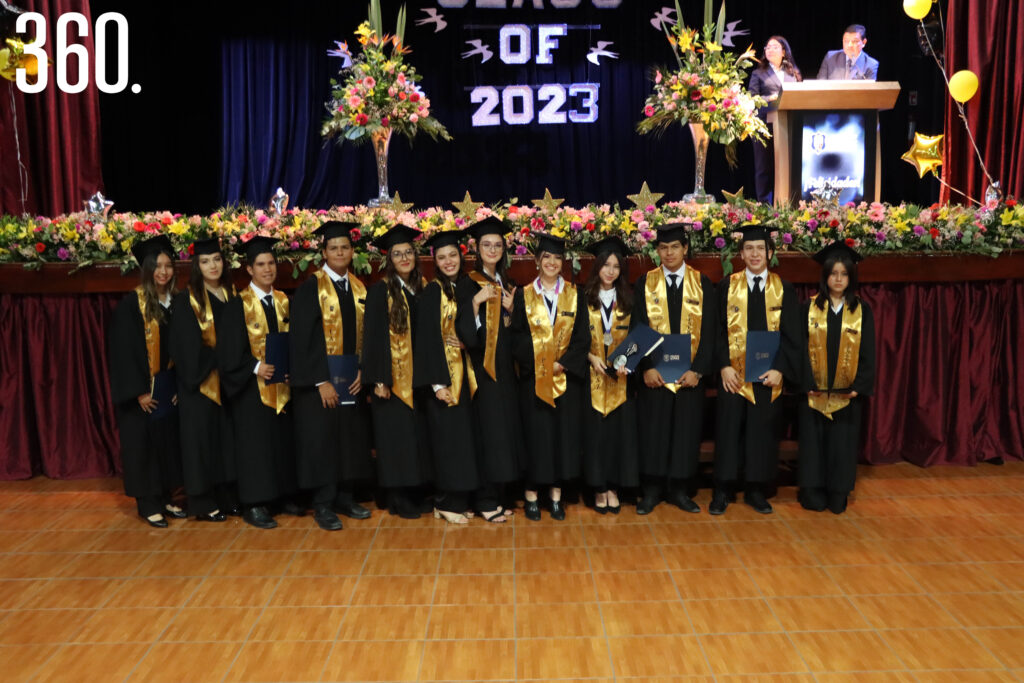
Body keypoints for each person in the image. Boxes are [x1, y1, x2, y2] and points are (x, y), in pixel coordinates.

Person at [289, 221, 374, 531]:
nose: (340, 251)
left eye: (345, 247)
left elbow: (369, 336)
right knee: (322, 442)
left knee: (350, 439)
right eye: (334, 247)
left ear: (352, 252)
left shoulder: (360, 288)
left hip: (351, 380)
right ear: (323, 252)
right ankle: (323, 502)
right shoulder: (311, 288)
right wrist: (320, 381)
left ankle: (345, 497)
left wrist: (364, 370)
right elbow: (302, 339)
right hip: (321, 383)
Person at [712, 224, 800, 515]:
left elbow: (792, 336)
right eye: (748, 248)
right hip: (733, 376)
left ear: (770, 253)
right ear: (740, 253)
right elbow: (717, 331)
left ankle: (756, 490)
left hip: (766, 375)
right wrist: (723, 366)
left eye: (760, 249)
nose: (754, 254)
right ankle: (723, 489)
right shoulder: (727, 285)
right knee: (728, 431)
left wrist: (780, 370)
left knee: (762, 432)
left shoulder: (784, 288)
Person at [633, 224, 717, 515]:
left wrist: (699, 370)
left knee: (685, 433)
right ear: (657, 251)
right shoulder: (645, 282)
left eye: (675, 247)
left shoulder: (702, 283)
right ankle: (652, 491)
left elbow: (710, 333)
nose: (669, 253)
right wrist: (645, 367)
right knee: (653, 432)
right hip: (655, 376)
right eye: (663, 248)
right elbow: (638, 329)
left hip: (688, 377)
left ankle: (680, 490)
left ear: (685, 249)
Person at [218, 236, 300, 529]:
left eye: (271, 264)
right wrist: (255, 366)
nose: (268, 269)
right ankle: (255, 503)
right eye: (261, 265)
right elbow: (228, 353)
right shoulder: (236, 305)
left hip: (282, 385)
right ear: (249, 270)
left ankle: (280, 496)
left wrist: (292, 368)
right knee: (255, 447)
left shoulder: (283, 301)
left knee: (280, 442)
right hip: (252, 388)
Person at [511, 233, 589, 521]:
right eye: (547, 258)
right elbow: (516, 337)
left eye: (557, 258)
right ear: (537, 261)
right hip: (533, 380)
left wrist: (563, 364)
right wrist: (540, 362)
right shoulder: (523, 295)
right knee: (535, 436)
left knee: (561, 437)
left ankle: (556, 496)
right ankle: (531, 494)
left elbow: (583, 337)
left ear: (563, 262)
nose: (552, 262)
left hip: (564, 380)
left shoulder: (574, 294)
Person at [107, 235, 184, 527]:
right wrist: (138, 392)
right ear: (147, 270)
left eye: (168, 266)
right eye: (157, 266)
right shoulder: (131, 306)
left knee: (166, 444)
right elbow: (123, 353)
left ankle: (165, 497)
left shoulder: (177, 302)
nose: (163, 272)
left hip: (167, 388)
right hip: (142, 392)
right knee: (143, 447)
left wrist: (178, 386)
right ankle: (147, 503)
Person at [798, 241, 875, 514]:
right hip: (814, 394)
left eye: (844, 274)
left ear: (851, 278)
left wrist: (859, 387)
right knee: (814, 443)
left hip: (846, 395)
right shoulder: (808, 308)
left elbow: (868, 352)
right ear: (825, 276)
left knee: (841, 444)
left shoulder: (861, 310)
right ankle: (812, 489)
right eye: (834, 274)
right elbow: (799, 349)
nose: (839, 279)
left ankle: (838, 490)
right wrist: (806, 382)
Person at [362, 224, 433, 519]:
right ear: (389, 260)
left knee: (416, 438)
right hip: (390, 378)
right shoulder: (380, 291)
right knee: (395, 439)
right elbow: (373, 338)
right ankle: (397, 496)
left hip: (419, 377)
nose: (404, 258)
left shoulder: (424, 288)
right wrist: (379, 379)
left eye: (408, 253)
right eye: (398, 254)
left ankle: (416, 491)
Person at [456, 216, 522, 522]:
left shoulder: (506, 283)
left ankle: (498, 494)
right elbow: (465, 335)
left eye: (497, 245)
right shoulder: (468, 283)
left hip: (505, 371)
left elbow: (515, 330)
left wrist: (512, 310)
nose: (492, 249)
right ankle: (484, 499)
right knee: (487, 433)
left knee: (504, 433)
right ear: (476, 248)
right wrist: (474, 304)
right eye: (486, 245)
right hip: (482, 370)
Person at [168, 237, 239, 523]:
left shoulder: (232, 293)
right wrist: (219, 356)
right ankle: (202, 501)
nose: (213, 266)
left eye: (217, 259)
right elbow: (186, 347)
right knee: (201, 444)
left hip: (229, 381)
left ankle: (225, 496)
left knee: (224, 441)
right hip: (199, 383)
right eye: (206, 261)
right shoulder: (188, 300)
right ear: (197, 266)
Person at [414, 229, 481, 524]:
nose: (448, 261)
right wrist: (437, 385)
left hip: (466, 374)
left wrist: (469, 341)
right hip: (443, 377)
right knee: (445, 441)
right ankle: (444, 502)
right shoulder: (432, 291)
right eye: (442, 257)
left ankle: (459, 499)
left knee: (463, 439)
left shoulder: (466, 286)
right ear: (434, 261)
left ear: (461, 256)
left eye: (453, 255)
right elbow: (426, 339)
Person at [581, 236, 640, 514]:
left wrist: (627, 359)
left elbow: (640, 335)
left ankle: (615, 487)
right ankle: (599, 488)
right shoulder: (583, 298)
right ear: (597, 268)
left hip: (621, 378)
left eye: (616, 266)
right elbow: (573, 337)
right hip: (592, 376)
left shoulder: (629, 299)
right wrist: (590, 357)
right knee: (596, 436)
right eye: (606, 265)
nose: (610, 271)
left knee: (619, 435)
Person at [749, 36, 802, 203]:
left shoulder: (793, 73)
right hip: (764, 125)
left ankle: (788, 203)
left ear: (784, 52)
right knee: (764, 168)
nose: (770, 50)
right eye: (768, 47)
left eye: (775, 47)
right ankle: (765, 205)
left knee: (788, 167)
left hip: (788, 126)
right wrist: (770, 98)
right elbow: (752, 98)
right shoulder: (758, 73)